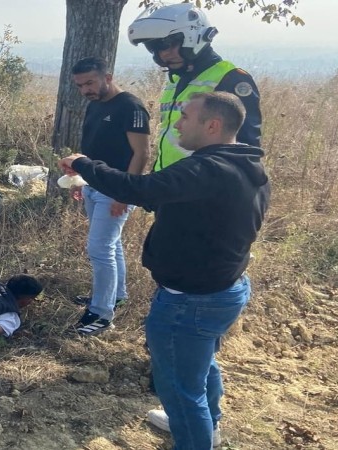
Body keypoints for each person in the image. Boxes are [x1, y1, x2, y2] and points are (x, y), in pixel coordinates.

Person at [59, 92, 270, 449]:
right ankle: (208, 428)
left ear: (212, 125)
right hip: (225, 289)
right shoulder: (244, 166)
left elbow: (138, 189)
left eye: (185, 117)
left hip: (189, 301)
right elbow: (169, 200)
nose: (178, 125)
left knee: (181, 390)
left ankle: (194, 435)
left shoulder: (205, 169)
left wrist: (84, 164)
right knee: (200, 365)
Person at [127, 1, 262, 171]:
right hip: (169, 181)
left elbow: (245, 149)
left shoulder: (231, 79)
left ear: (192, 36)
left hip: (201, 182)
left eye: (168, 44)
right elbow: (169, 142)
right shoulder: (176, 80)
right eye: (154, 48)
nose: (164, 54)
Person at [69, 57, 151, 336]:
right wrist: (80, 180)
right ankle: (116, 296)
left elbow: (142, 153)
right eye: (80, 86)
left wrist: (125, 194)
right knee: (110, 245)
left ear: (108, 77)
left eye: (90, 83)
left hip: (115, 191)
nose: (85, 90)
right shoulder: (94, 105)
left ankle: (102, 314)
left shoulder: (131, 107)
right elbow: (91, 150)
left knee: (99, 249)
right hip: (92, 186)